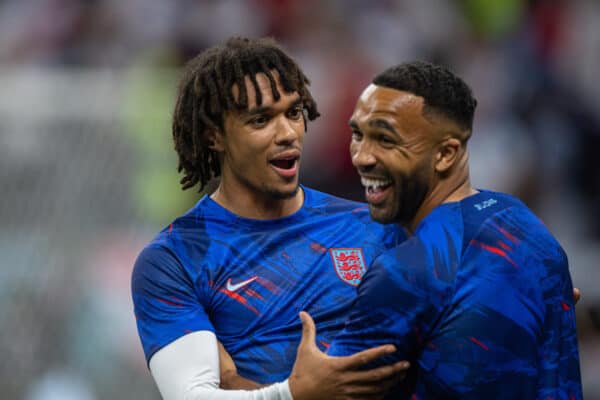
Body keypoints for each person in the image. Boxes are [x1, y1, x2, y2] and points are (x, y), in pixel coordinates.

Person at [131, 36, 409, 400]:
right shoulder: (176, 259)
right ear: (215, 136)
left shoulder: (373, 229)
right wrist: (296, 393)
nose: (288, 133)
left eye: (293, 113)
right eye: (260, 119)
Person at [316, 61, 582, 399]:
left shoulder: (407, 272)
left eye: (386, 139)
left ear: (445, 154)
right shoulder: (525, 222)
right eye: (359, 135)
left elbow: (321, 390)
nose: (362, 157)